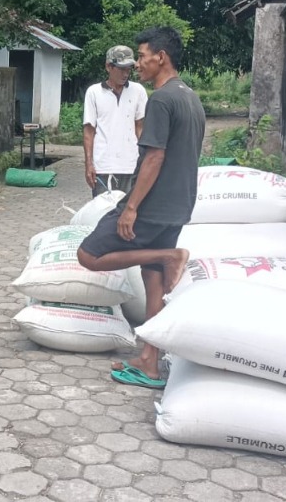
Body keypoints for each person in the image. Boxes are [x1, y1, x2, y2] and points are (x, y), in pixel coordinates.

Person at [76, 26, 205, 389]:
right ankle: (150, 361)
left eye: (143, 56)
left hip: (152, 205)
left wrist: (130, 207)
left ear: (160, 56)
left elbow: (155, 157)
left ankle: (169, 256)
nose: (139, 64)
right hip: (178, 204)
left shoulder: (161, 100)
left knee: (89, 255)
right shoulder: (190, 97)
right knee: (153, 285)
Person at [83, 45, 147, 197]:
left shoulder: (138, 91)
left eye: (128, 69)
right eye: (121, 69)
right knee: (103, 213)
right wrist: (89, 164)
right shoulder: (94, 92)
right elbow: (89, 131)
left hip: (131, 164)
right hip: (103, 166)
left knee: (129, 213)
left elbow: (140, 128)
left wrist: (145, 159)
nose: (126, 74)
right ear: (108, 66)